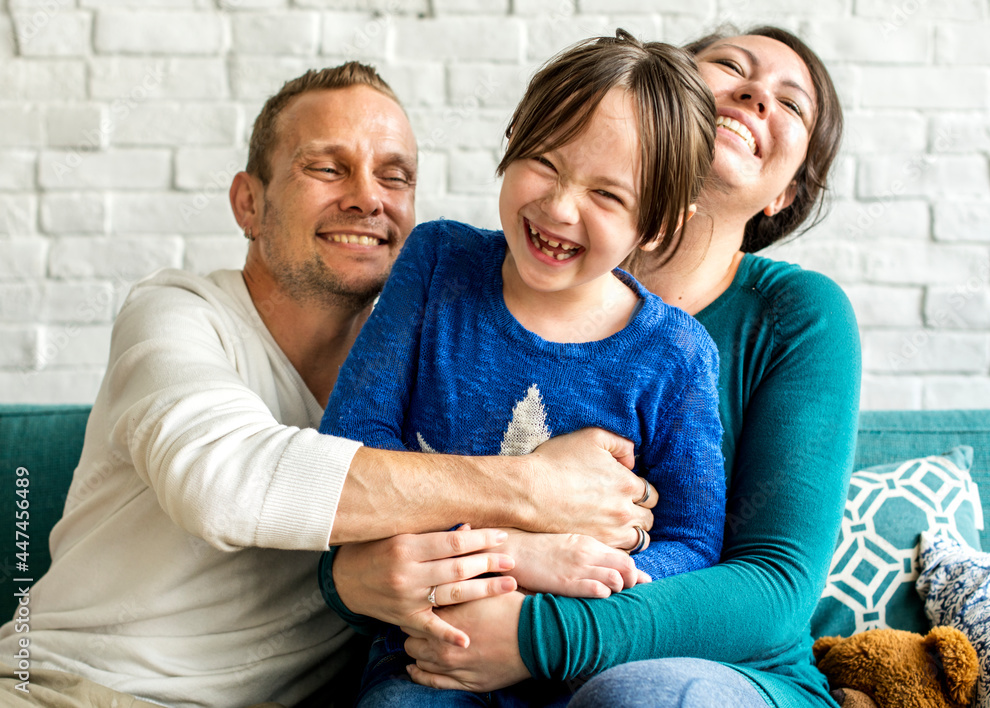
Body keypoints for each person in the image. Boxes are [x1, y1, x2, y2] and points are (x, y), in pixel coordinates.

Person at [0, 63, 657, 708]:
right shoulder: (178, 314)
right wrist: (537, 490)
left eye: (394, 177)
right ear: (248, 202)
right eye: (326, 168)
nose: (368, 198)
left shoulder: (422, 377)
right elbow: (223, 484)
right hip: (71, 688)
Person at [331, 26, 863, 708]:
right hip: (444, 646)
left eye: (790, 105)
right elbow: (343, 481)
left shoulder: (761, 327)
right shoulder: (453, 268)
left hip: (691, 664)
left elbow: (767, 583)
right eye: (730, 66)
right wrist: (519, 511)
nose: (756, 95)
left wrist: (536, 622)